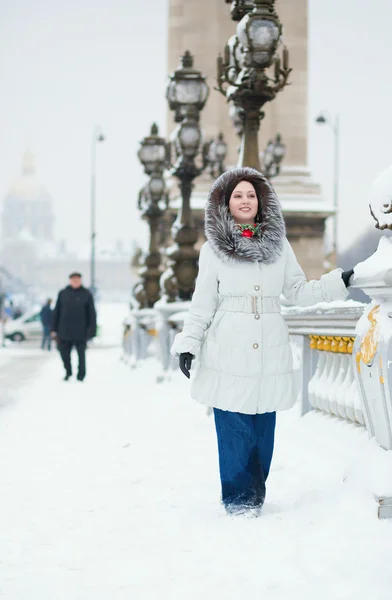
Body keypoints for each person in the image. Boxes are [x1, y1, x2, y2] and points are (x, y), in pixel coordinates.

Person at [171, 167, 354, 516]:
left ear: (261, 202)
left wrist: (338, 282)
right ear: (226, 202)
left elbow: (298, 292)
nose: (245, 200)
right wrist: (189, 342)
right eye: (238, 195)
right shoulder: (213, 250)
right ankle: (239, 499)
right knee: (233, 426)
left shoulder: (279, 246)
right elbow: (203, 302)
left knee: (262, 428)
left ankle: (255, 491)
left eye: (251, 195)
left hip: (269, 346)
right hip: (228, 344)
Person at [51, 272, 97, 381]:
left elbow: (92, 314)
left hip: (81, 331)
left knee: (81, 356)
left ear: (80, 280)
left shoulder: (86, 294)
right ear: (70, 280)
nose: (75, 281)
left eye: (77, 279)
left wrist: (92, 331)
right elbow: (56, 312)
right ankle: (68, 371)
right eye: (73, 279)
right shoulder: (63, 293)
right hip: (64, 331)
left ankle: (81, 375)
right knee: (64, 354)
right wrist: (53, 329)